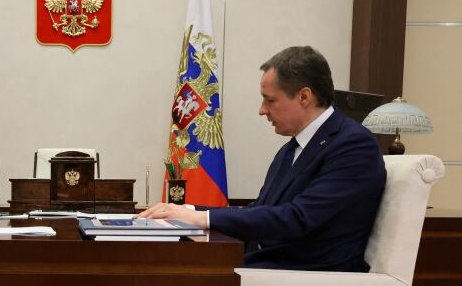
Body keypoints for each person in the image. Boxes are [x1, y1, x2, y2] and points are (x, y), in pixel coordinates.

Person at [140, 46, 386, 272]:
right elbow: (261, 210)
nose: (262, 110)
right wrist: (186, 210)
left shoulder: (353, 145)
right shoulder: (291, 148)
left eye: (270, 100)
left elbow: (297, 218)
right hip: (270, 265)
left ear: (304, 97)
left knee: (175, 273)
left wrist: (201, 218)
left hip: (307, 275)